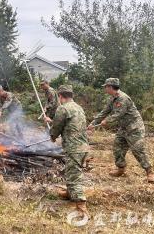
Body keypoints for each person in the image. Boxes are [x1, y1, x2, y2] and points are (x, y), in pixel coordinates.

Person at [87, 78, 154, 183]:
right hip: (123, 128)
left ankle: (150, 172)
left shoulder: (123, 98)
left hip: (134, 128)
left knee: (138, 150)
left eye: (106, 87)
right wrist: (92, 123)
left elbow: (118, 114)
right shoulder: (113, 99)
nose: (105, 89)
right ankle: (121, 169)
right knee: (117, 148)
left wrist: (106, 121)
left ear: (110, 87)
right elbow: (104, 112)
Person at [44, 85, 89, 215]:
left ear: (60, 96)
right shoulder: (78, 107)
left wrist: (52, 136)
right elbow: (69, 124)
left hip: (74, 147)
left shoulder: (62, 108)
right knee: (72, 171)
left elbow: (57, 127)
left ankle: (81, 207)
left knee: (74, 176)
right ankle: (69, 193)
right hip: (83, 146)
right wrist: (51, 121)